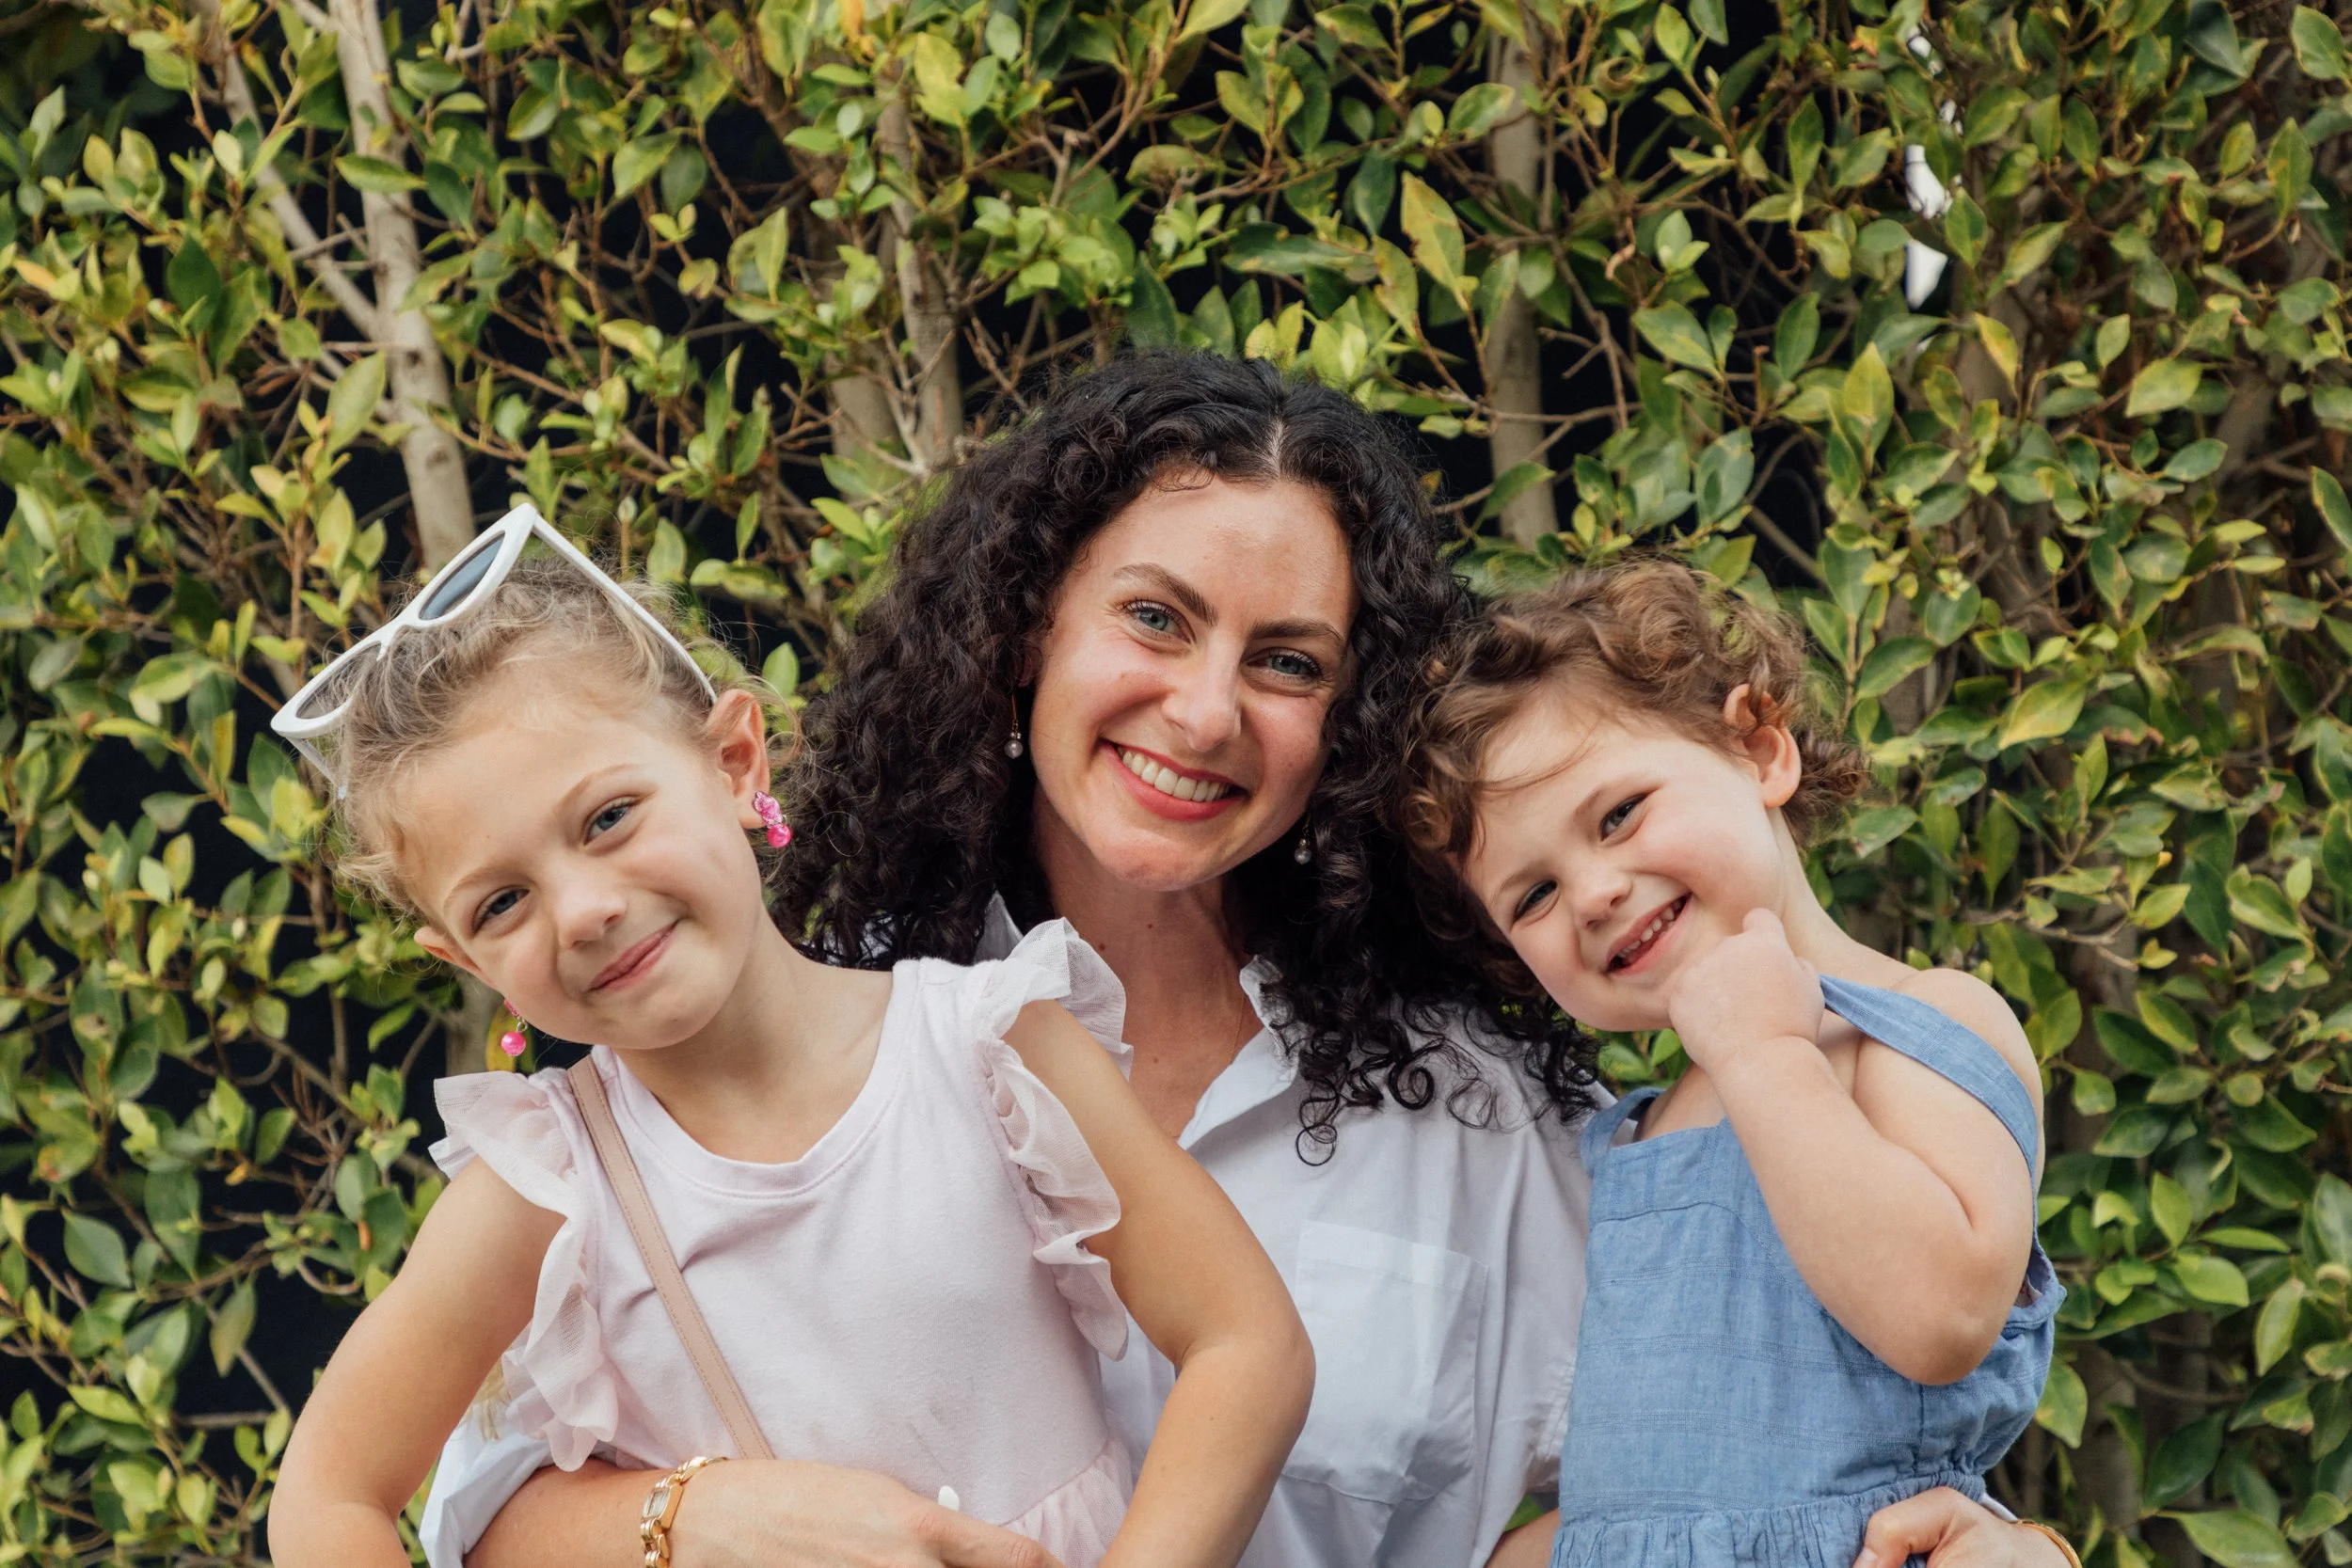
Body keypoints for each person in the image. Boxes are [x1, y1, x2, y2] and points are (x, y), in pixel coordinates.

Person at [421, 354, 2080, 1568]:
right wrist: (702, 1517)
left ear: (1344, 721)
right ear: (1027, 629)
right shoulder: (781, 1044)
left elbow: (1722, 1447)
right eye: (1154, 618)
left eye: (1287, 661)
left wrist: (2002, 1540)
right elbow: (454, 1504)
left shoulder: (1478, 1117)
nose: (1206, 709)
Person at [262, 504, 1314, 1568]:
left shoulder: (995, 1049)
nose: (581, 911)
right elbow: (328, 1492)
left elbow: (1247, 1341)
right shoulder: (546, 1192)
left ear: (735, 762)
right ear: (464, 960)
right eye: (500, 903)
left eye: (609, 817)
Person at [1403, 561, 2071, 1568]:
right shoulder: (1635, 1134)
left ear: (1759, 749)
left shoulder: (1915, 1025)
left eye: (1619, 814)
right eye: (1532, 895)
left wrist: (1764, 1052)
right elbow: (1654, 1490)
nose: (1592, 894)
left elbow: (1942, 1316)